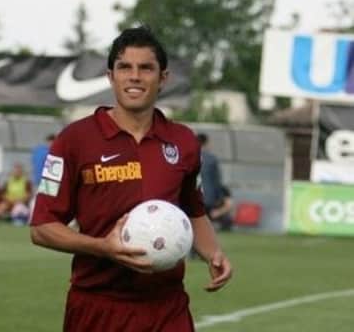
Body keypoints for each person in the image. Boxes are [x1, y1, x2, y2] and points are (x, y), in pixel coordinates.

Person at [30, 26, 232, 331]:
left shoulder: (184, 142)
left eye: (146, 68)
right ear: (111, 76)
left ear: (163, 78)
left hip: (167, 307)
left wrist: (213, 253)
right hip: (98, 307)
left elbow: (193, 210)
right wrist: (102, 247)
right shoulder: (74, 140)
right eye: (125, 67)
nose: (134, 76)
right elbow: (42, 228)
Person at [197, 133, 223, 215]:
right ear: (206, 143)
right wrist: (219, 197)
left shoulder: (189, 156)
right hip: (208, 197)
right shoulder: (211, 159)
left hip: (191, 197)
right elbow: (216, 180)